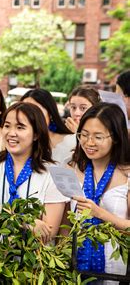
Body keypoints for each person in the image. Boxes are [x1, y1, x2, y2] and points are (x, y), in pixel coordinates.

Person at [0, 102, 68, 246]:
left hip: (36, 263)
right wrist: (26, 223)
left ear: (36, 134)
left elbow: (48, 232)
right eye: (7, 126)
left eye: (20, 127)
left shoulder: (54, 173)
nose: (11, 133)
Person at [68, 103, 129, 282]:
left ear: (116, 137)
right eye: (84, 135)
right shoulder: (72, 169)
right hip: (74, 267)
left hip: (113, 270)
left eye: (98, 137)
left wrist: (100, 214)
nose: (89, 143)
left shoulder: (127, 174)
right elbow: (65, 223)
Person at [21, 89, 75, 165]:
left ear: (50, 113)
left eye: (37, 111)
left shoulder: (71, 142)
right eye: (24, 112)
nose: (30, 116)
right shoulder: (16, 143)